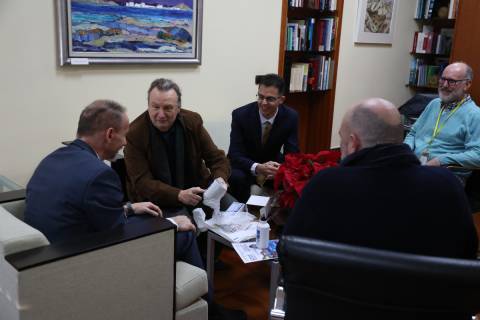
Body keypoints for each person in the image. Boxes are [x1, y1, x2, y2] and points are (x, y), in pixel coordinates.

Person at [284, 98, 478, 259]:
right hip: (426, 301)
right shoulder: (446, 185)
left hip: (341, 299)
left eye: (342, 139)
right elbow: (466, 253)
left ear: (353, 143)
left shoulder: (326, 184)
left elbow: (290, 249)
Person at [24, 100, 202, 266]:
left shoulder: (52, 158)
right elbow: (120, 237)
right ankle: (204, 297)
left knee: (149, 215)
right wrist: (172, 223)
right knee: (184, 229)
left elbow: (79, 208)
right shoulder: (100, 175)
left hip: (47, 255)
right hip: (82, 261)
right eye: (124, 135)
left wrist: (128, 208)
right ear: (110, 134)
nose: (125, 142)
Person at [124, 78, 233, 215]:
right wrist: (179, 195)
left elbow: (216, 158)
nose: (161, 114)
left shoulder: (192, 122)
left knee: (235, 212)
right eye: (155, 107)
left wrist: (220, 180)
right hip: (158, 200)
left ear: (178, 108)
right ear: (148, 105)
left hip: (199, 192)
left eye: (168, 108)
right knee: (186, 228)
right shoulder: (134, 134)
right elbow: (142, 183)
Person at [228, 74, 299, 202]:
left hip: (272, 163)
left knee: (292, 177)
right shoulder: (240, 115)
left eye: (270, 99)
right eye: (260, 97)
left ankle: (278, 217)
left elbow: (292, 153)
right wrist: (258, 167)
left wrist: (280, 170)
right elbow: (234, 153)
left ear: (281, 100)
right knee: (236, 177)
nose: (263, 103)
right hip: (246, 164)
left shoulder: (291, 117)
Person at [404, 62, 480, 182]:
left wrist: (442, 160)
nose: (444, 85)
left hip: (446, 175)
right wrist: (406, 150)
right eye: (442, 79)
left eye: (451, 81)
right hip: (415, 166)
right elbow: (413, 132)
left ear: (467, 84)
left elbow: (477, 156)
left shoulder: (475, 115)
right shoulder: (434, 104)